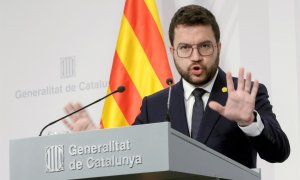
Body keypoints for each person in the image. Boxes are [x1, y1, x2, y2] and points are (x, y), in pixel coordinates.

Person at [64, 4, 290, 168]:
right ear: (172, 52)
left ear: (218, 48)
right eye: (184, 48)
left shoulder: (244, 95)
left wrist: (248, 120)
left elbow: (279, 152)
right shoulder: (155, 104)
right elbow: (130, 155)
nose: (195, 57)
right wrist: (96, 141)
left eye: (204, 46)